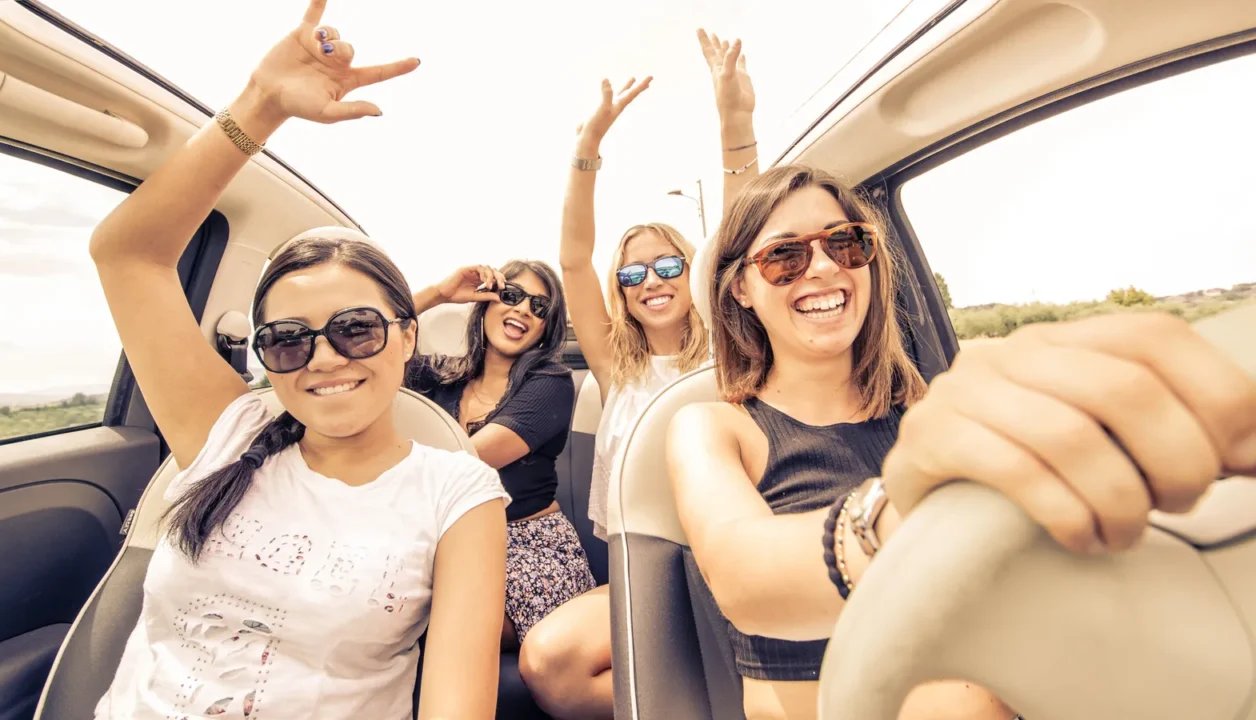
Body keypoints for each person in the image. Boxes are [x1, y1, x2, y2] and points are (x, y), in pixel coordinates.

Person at [667, 162, 1256, 719]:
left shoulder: (927, 407)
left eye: (844, 243)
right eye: (784, 257)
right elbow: (744, 577)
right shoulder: (711, 429)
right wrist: (907, 516)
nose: (823, 268)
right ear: (740, 288)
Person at [88, 3, 508, 718]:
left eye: (356, 329)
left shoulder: (458, 494)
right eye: (287, 339)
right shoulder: (228, 430)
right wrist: (259, 106)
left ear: (409, 336)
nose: (322, 359)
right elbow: (127, 255)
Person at [516, 29, 744, 720]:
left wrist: (736, 123)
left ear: (694, 272)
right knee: (548, 666)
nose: (653, 280)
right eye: (635, 271)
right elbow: (574, 258)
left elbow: (739, 230)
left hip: (728, 559)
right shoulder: (617, 362)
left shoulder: (732, 351)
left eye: (670, 265)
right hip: (642, 568)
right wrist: (588, 151)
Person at [406, 261, 595, 648]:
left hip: (529, 551)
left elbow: (467, 459)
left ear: (545, 327)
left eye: (539, 307)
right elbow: (368, 345)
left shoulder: (550, 383)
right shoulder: (441, 376)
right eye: (511, 296)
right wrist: (439, 294)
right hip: (449, 544)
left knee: (418, 616)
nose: (524, 309)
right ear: (485, 305)